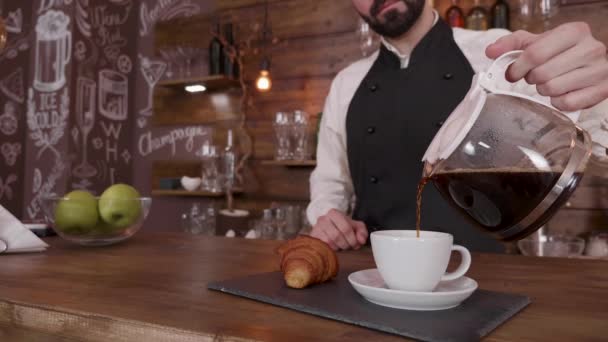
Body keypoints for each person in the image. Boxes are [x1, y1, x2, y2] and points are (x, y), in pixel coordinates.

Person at [306, 0, 608, 252]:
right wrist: (327, 216)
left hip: (483, 277)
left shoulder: (496, 55)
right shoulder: (347, 83)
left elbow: (591, 148)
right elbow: (330, 184)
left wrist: (595, 93)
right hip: (372, 276)